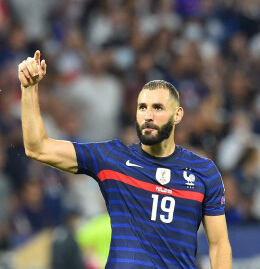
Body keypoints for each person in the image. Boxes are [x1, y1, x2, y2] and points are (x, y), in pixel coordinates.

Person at [18, 50, 232, 269]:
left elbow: (218, 244)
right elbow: (38, 148)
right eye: (142, 108)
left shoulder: (203, 171)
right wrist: (29, 89)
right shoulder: (113, 158)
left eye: (158, 108)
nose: (148, 115)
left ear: (177, 115)